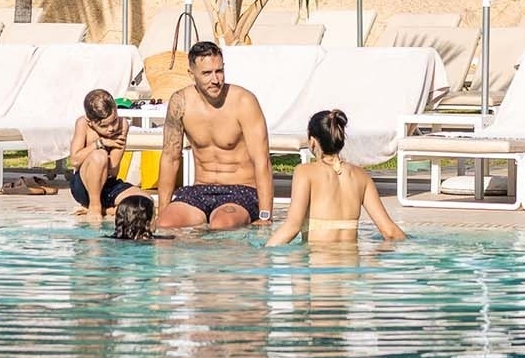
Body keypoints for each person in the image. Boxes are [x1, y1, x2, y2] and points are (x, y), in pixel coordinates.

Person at [156, 40, 274, 232]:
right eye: (206, 73)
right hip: (200, 189)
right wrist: (162, 210)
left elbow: (263, 161)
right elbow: (170, 158)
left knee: (221, 224)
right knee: (165, 224)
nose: (215, 79)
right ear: (191, 74)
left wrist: (265, 215)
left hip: (240, 190)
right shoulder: (180, 103)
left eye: (219, 71)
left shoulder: (244, 102)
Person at [265, 108, 406, 247]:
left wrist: (264, 253)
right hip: (351, 269)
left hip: (319, 267)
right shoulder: (362, 177)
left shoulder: (305, 173)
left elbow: (292, 227)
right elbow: (390, 232)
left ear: (312, 141)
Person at [68, 87, 131, 222]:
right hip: (84, 187)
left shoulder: (122, 125)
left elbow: (112, 169)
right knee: (99, 155)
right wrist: (100, 143)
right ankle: (94, 206)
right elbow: (74, 161)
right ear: (90, 122)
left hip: (108, 184)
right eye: (104, 126)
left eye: (114, 121)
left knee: (143, 201)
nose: (111, 128)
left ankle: (103, 209)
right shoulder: (82, 124)